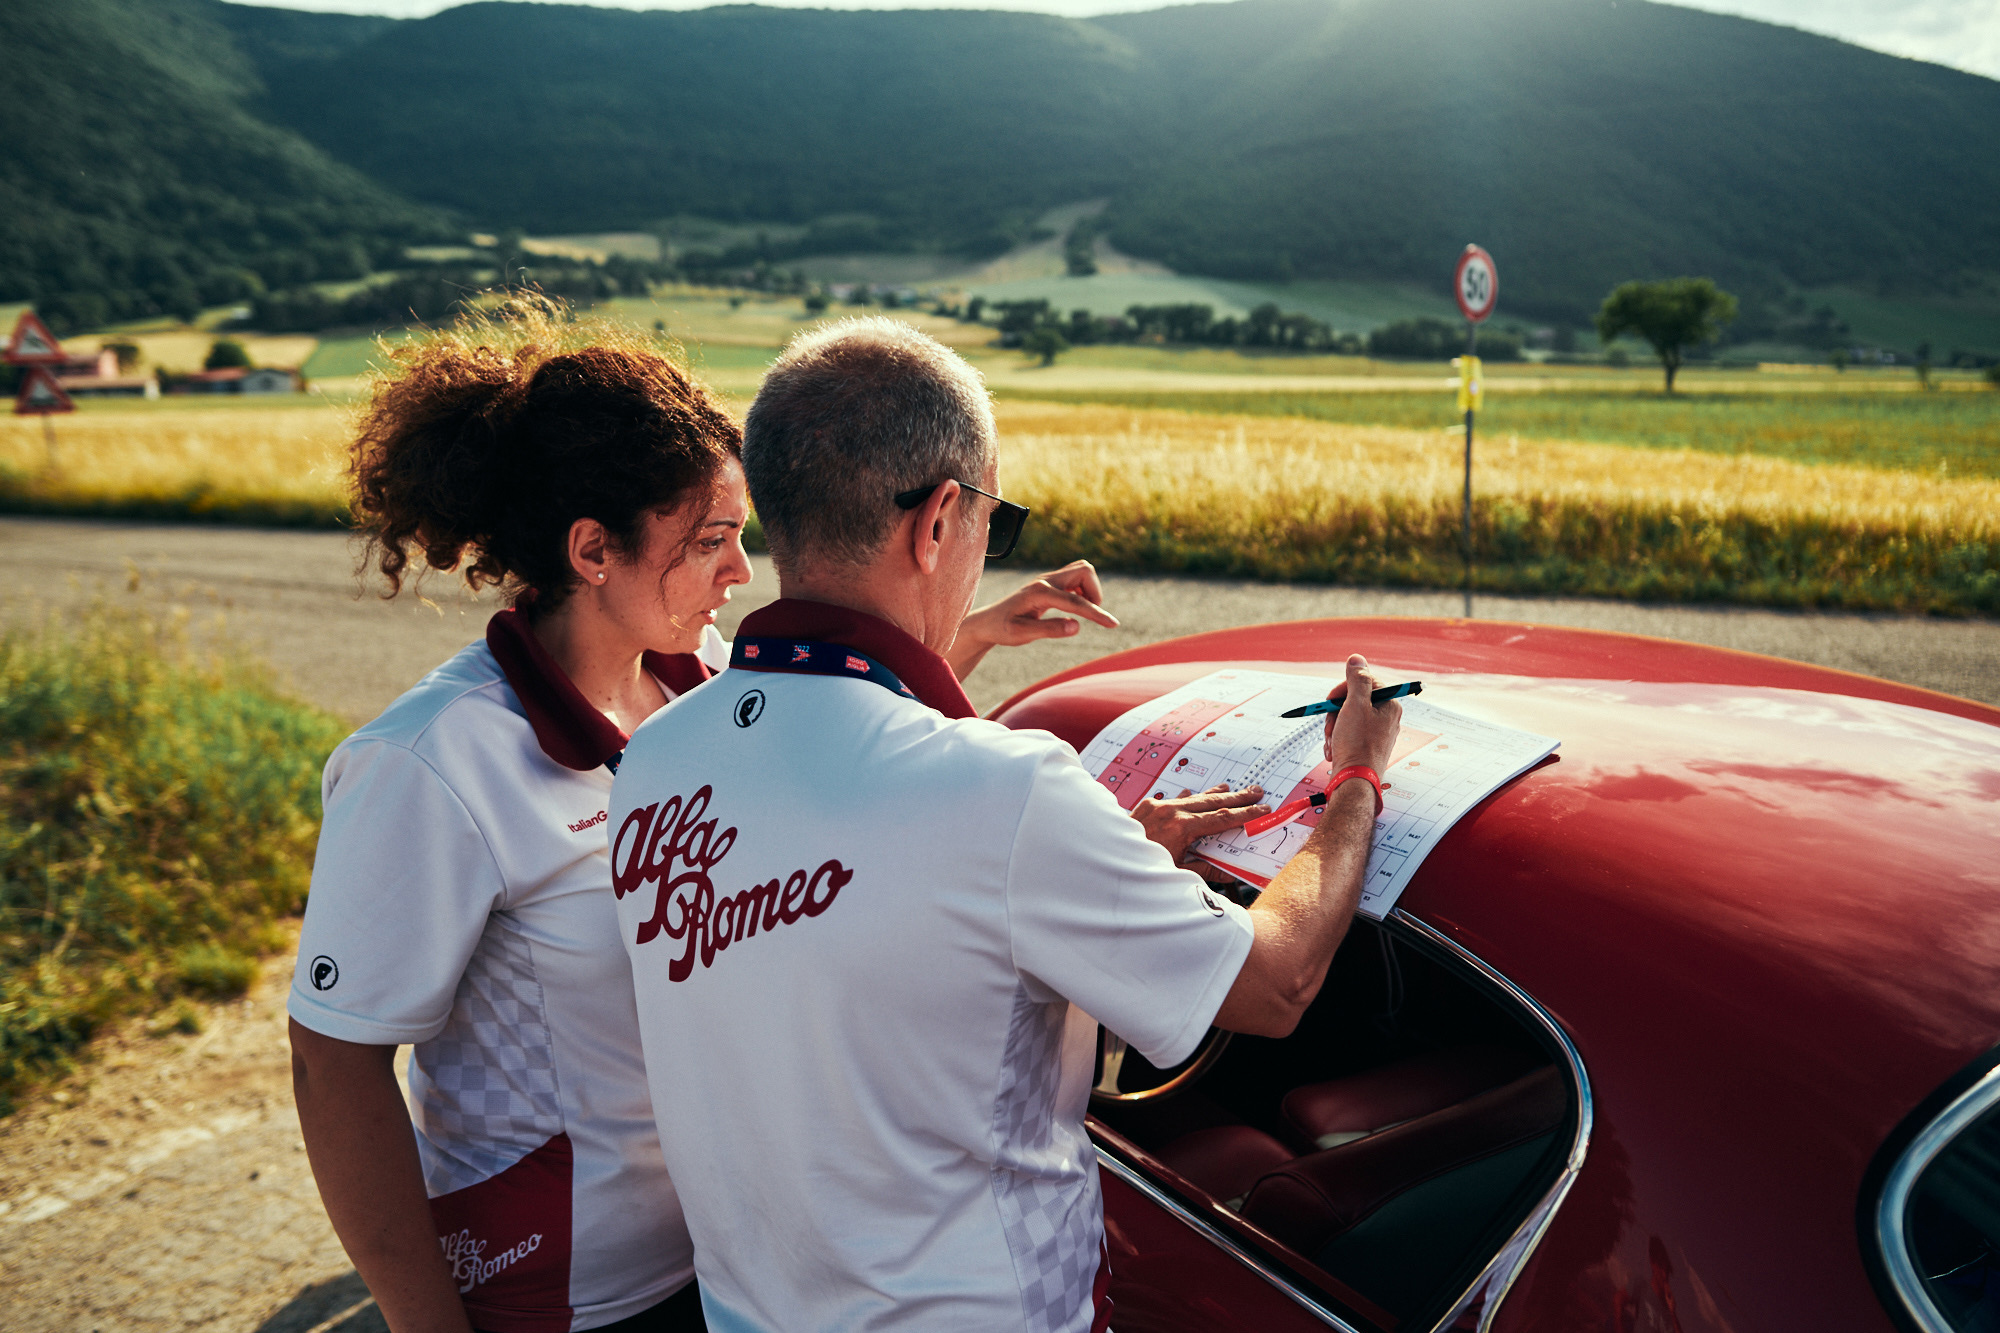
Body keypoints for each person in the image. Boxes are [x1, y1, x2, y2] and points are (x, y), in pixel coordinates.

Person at [288, 302, 1114, 1333]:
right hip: (569, 1287)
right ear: (593, 550)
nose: (738, 571)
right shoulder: (430, 762)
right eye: (710, 541)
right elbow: (333, 1060)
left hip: (740, 1255)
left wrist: (970, 622)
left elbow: (844, 749)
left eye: (741, 534)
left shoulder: (707, 687)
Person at [605, 316, 1403, 1333]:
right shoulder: (1001, 791)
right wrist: (1353, 780)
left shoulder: (657, 758)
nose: (984, 549)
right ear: (938, 520)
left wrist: (1098, 862)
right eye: (992, 518)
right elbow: (1276, 982)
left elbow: (853, 932)